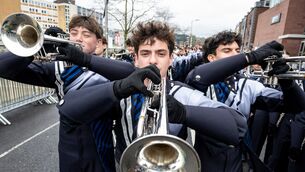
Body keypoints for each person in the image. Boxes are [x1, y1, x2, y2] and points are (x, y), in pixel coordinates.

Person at [56, 21, 249, 171]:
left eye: (161, 53)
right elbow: (68, 110)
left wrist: (183, 112)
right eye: (146, 53)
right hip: (128, 166)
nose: (154, 60)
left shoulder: (180, 92)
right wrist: (118, 89)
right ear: (136, 59)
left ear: (171, 59)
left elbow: (237, 127)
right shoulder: (120, 90)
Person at [0, 15, 133, 172]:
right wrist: (38, 45)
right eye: (74, 32)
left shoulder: (110, 68)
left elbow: (130, 72)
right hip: (71, 148)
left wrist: (85, 59)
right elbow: (4, 68)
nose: (78, 38)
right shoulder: (58, 69)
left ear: (98, 42)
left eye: (86, 34)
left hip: (101, 146)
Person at [185, 31, 305, 171]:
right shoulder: (199, 80)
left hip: (239, 160)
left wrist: (287, 82)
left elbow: (297, 105)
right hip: (206, 160)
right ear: (211, 57)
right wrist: (250, 57)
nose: (236, 55)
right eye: (227, 50)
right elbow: (196, 78)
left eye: (237, 50)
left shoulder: (247, 85)